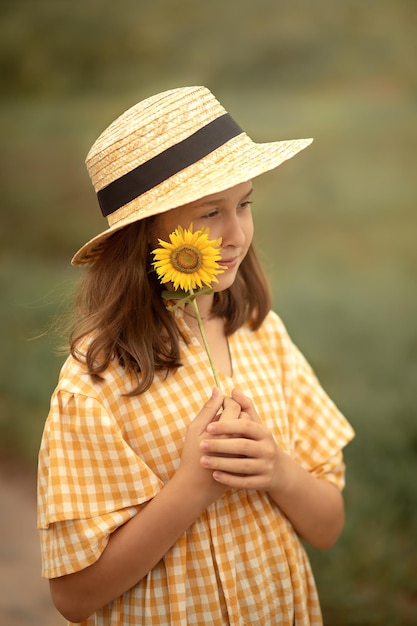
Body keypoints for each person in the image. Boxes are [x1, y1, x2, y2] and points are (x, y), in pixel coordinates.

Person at [37, 85, 355, 626]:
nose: (236, 234)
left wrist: (278, 470)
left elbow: (327, 527)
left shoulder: (262, 335)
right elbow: (73, 598)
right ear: (145, 234)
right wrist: (191, 487)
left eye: (244, 204)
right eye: (210, 212)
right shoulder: (95, 384)